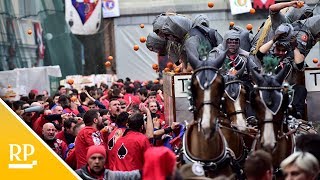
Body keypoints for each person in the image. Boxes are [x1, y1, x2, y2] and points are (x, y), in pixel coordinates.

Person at [76, 145, 141, 180]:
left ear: (105, 160)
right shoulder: (76, 175)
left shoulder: (110, 175)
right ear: (87, 159)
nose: (97, 161)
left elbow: (130, 175)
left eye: (100, 158)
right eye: (93, 158)